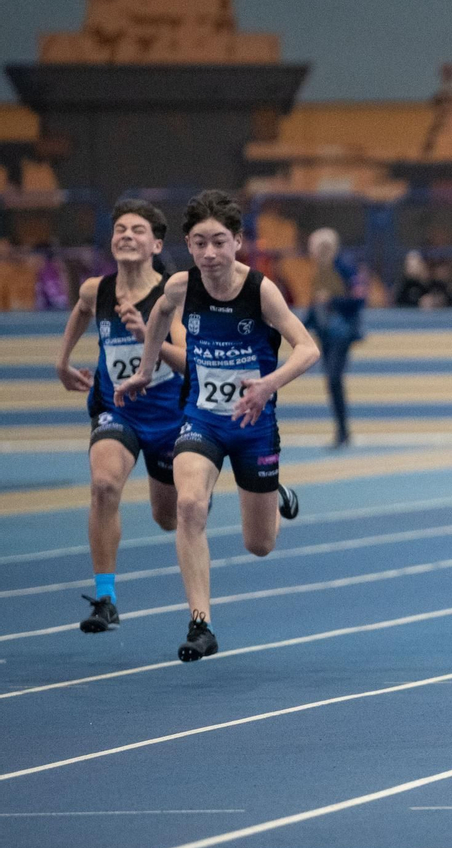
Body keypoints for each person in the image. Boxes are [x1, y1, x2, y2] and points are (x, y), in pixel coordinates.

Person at [116, 190, 320, 662]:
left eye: (220, 242)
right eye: (200, 243)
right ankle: (200, 623)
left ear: (238, 242)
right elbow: (158, 319)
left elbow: (308, 349)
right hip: (202, 419)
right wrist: (146, 370)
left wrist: (268, 384)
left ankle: (276, 494)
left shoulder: (261, 291)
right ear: (187, 244)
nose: (210, 254)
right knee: (189, 506)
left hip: (254, 424)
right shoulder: (180, 287)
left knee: (260, 545)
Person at [55, 199, 187, 635]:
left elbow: (188, 360)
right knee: (104, 484)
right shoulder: (99, 290)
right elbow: (80, 310)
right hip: (119, 410)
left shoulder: (173, 294)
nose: (126, 236)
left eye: (137, 230)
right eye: (120, 230)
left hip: (169, 417)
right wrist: (63, 360)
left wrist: (144, 335)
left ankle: (187, 477)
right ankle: (106, 598)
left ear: (155, 244)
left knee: (166, 518)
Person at [305, 227, 365, 448]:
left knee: (334, 378)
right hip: (326, 334)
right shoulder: (322, 270)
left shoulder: (345, 268)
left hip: (341, 333)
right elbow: (316, 306)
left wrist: (333, 299)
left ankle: (343, 432)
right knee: (332, 382)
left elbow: (359, 300)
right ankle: (341, 431)